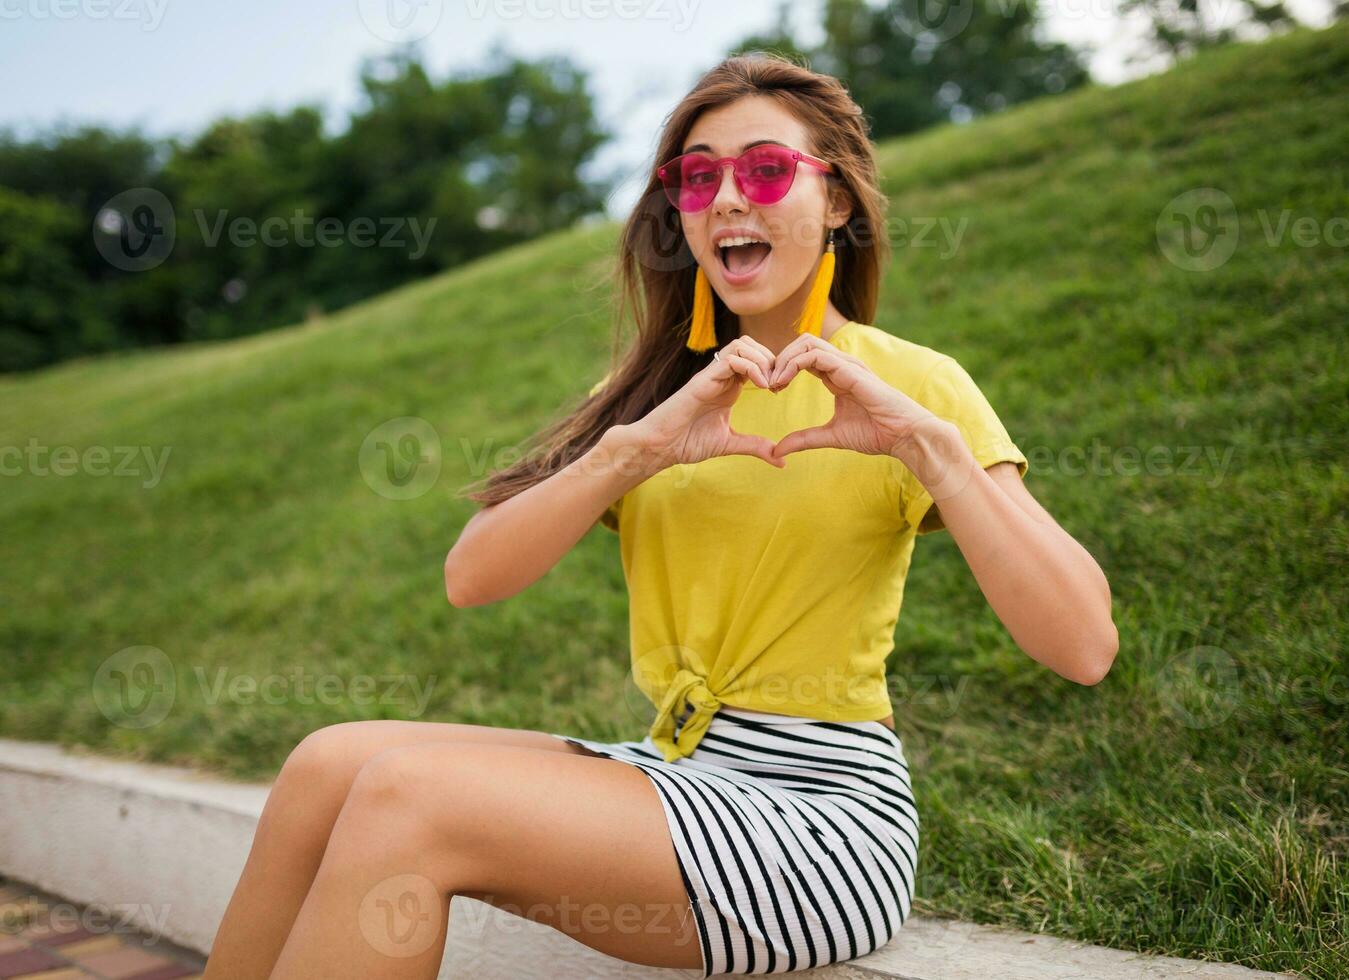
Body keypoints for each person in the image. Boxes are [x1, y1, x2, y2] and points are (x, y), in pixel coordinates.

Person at [205, 53, 1117, 980]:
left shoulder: (914, 384)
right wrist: (633, 449)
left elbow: (1084, 645)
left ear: (836, 200)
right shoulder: (649, 398)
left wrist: (931, 452)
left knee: (409, 796)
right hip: (675, 768)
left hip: (819, 819)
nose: (727, 197)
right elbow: (472, 577)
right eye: (697, 174)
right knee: (326, 764)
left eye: (764, 169)